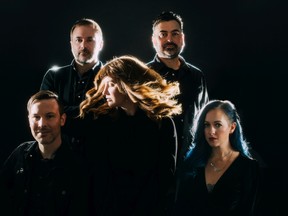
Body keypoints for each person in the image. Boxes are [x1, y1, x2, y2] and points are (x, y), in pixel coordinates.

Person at [79, 55, 182, 215]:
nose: (104, 91)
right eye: (104, 85)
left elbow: (166, 178)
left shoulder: (162, 124)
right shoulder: (102, 124)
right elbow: (97, 177)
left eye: (111, 84)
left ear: (127, 85)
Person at [0, 90, 91, 216]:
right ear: (29, 120)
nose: (42, 124)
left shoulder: (78, 163)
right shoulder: (20, 154)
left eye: (49, 116)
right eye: (36, 117)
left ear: (62, 119)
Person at [174, 99, 260, 216]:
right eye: (206, 125)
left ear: (232, 127)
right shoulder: (193, 163)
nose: (211, 131)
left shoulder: (248, 168)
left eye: (217, 125)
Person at [147, 11, 209, 165]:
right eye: (163, 34)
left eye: (175, 34)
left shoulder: (197, 76)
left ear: (182, 38)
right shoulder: (142, 76)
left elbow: (204, 119)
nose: (169, 39)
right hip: (154, 165)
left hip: (192, 164)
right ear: (153, 40)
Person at [40, 18, 104, 118]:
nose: (83, 46)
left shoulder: (111, 77)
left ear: (100, 45)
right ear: (71, 44)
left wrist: (61, 110)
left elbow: (109, 113)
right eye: (78, 40)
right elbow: (45, 111)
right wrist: (91, 108)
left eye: (90, 40)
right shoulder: (53, 76)